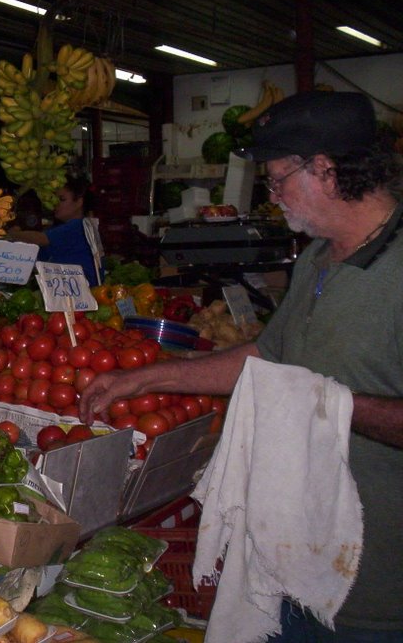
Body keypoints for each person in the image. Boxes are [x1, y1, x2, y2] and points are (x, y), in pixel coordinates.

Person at [79, 90, 403, 640]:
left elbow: (305, 390)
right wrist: (144, 375)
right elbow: (266, 358)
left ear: (324, 169)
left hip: (377, 589)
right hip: (296, 562)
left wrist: (332, 405)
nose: (273, 197)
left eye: (277, 180)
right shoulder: (317, 261)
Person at [42, 172, 101, 284]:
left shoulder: (79, 226)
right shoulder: (59, 229)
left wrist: (13, 233)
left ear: (79, 201)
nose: (55, 203)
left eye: (62, 199)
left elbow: (41, 239)